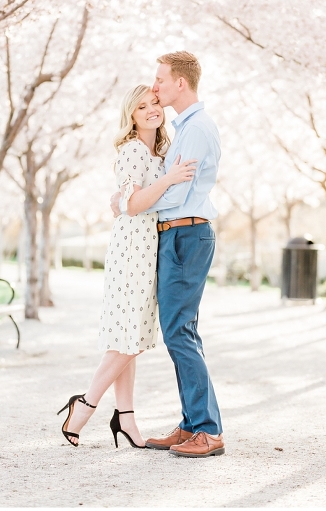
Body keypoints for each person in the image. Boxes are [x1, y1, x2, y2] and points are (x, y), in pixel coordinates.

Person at [58, 85, 196, 448]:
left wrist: (130, 196)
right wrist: (167, 180)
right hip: (133, 248)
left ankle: (126, 418)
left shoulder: (158, 152)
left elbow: (128, 200)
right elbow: (134, 204)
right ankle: (85, 404)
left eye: (154, 103)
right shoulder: (134, 149)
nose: (152, 109)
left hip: (148, 245)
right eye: (141, 107)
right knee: (130, 337)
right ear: (131, 116)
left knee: (128, 334)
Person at [112, 51, 224, 458]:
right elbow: (163, 183)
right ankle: (193, 422)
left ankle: (207, 430)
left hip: (185, 235)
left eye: (160, 80)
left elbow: (175, 191)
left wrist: (130, 201)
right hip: (177, 235)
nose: (155, 87)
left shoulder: (194, 131)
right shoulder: (186, 128)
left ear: (181, 83)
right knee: (181, 331)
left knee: (179, 332)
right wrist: (129, 197)